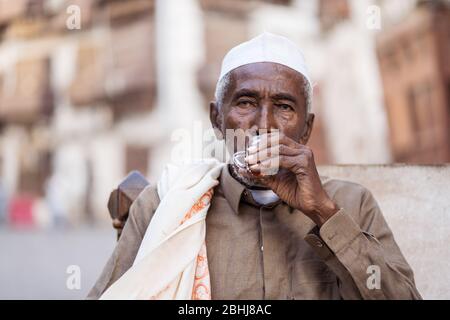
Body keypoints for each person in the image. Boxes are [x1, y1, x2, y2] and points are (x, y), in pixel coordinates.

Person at [88, 33, 421, 300]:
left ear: (306, 128)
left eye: (284, 107)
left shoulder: (351, 204)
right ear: (217, 119)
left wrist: (324, 214)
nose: (264, 125)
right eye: (246, 103)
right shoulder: (165, 207)